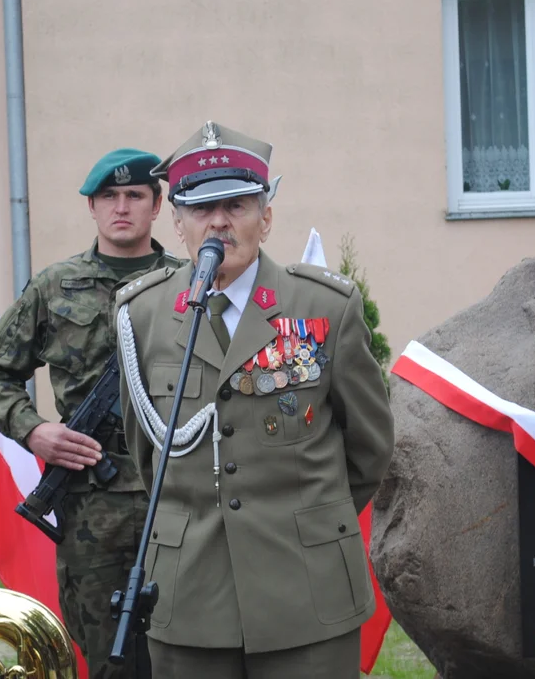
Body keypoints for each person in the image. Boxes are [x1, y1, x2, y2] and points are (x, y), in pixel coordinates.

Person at [114, 122, 395, 679]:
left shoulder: (324, 307)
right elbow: (148, 453)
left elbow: (370, 448)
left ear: (266, 218)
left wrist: (307, 520)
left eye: (237, 205)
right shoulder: (140, 314)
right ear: (177, 222)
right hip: (190, 591)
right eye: (201, 208)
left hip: (306, 590)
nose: (219, 222)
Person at [0, 148, 183, 678]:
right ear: (91, 207)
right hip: (93, 509)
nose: (122, 207)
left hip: (179, 498)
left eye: (135, 195)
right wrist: (34, 430)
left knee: (190, 650)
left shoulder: (189, 285)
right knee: (109, 653)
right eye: (108, 196)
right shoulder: (54, 287)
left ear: (157, 205)